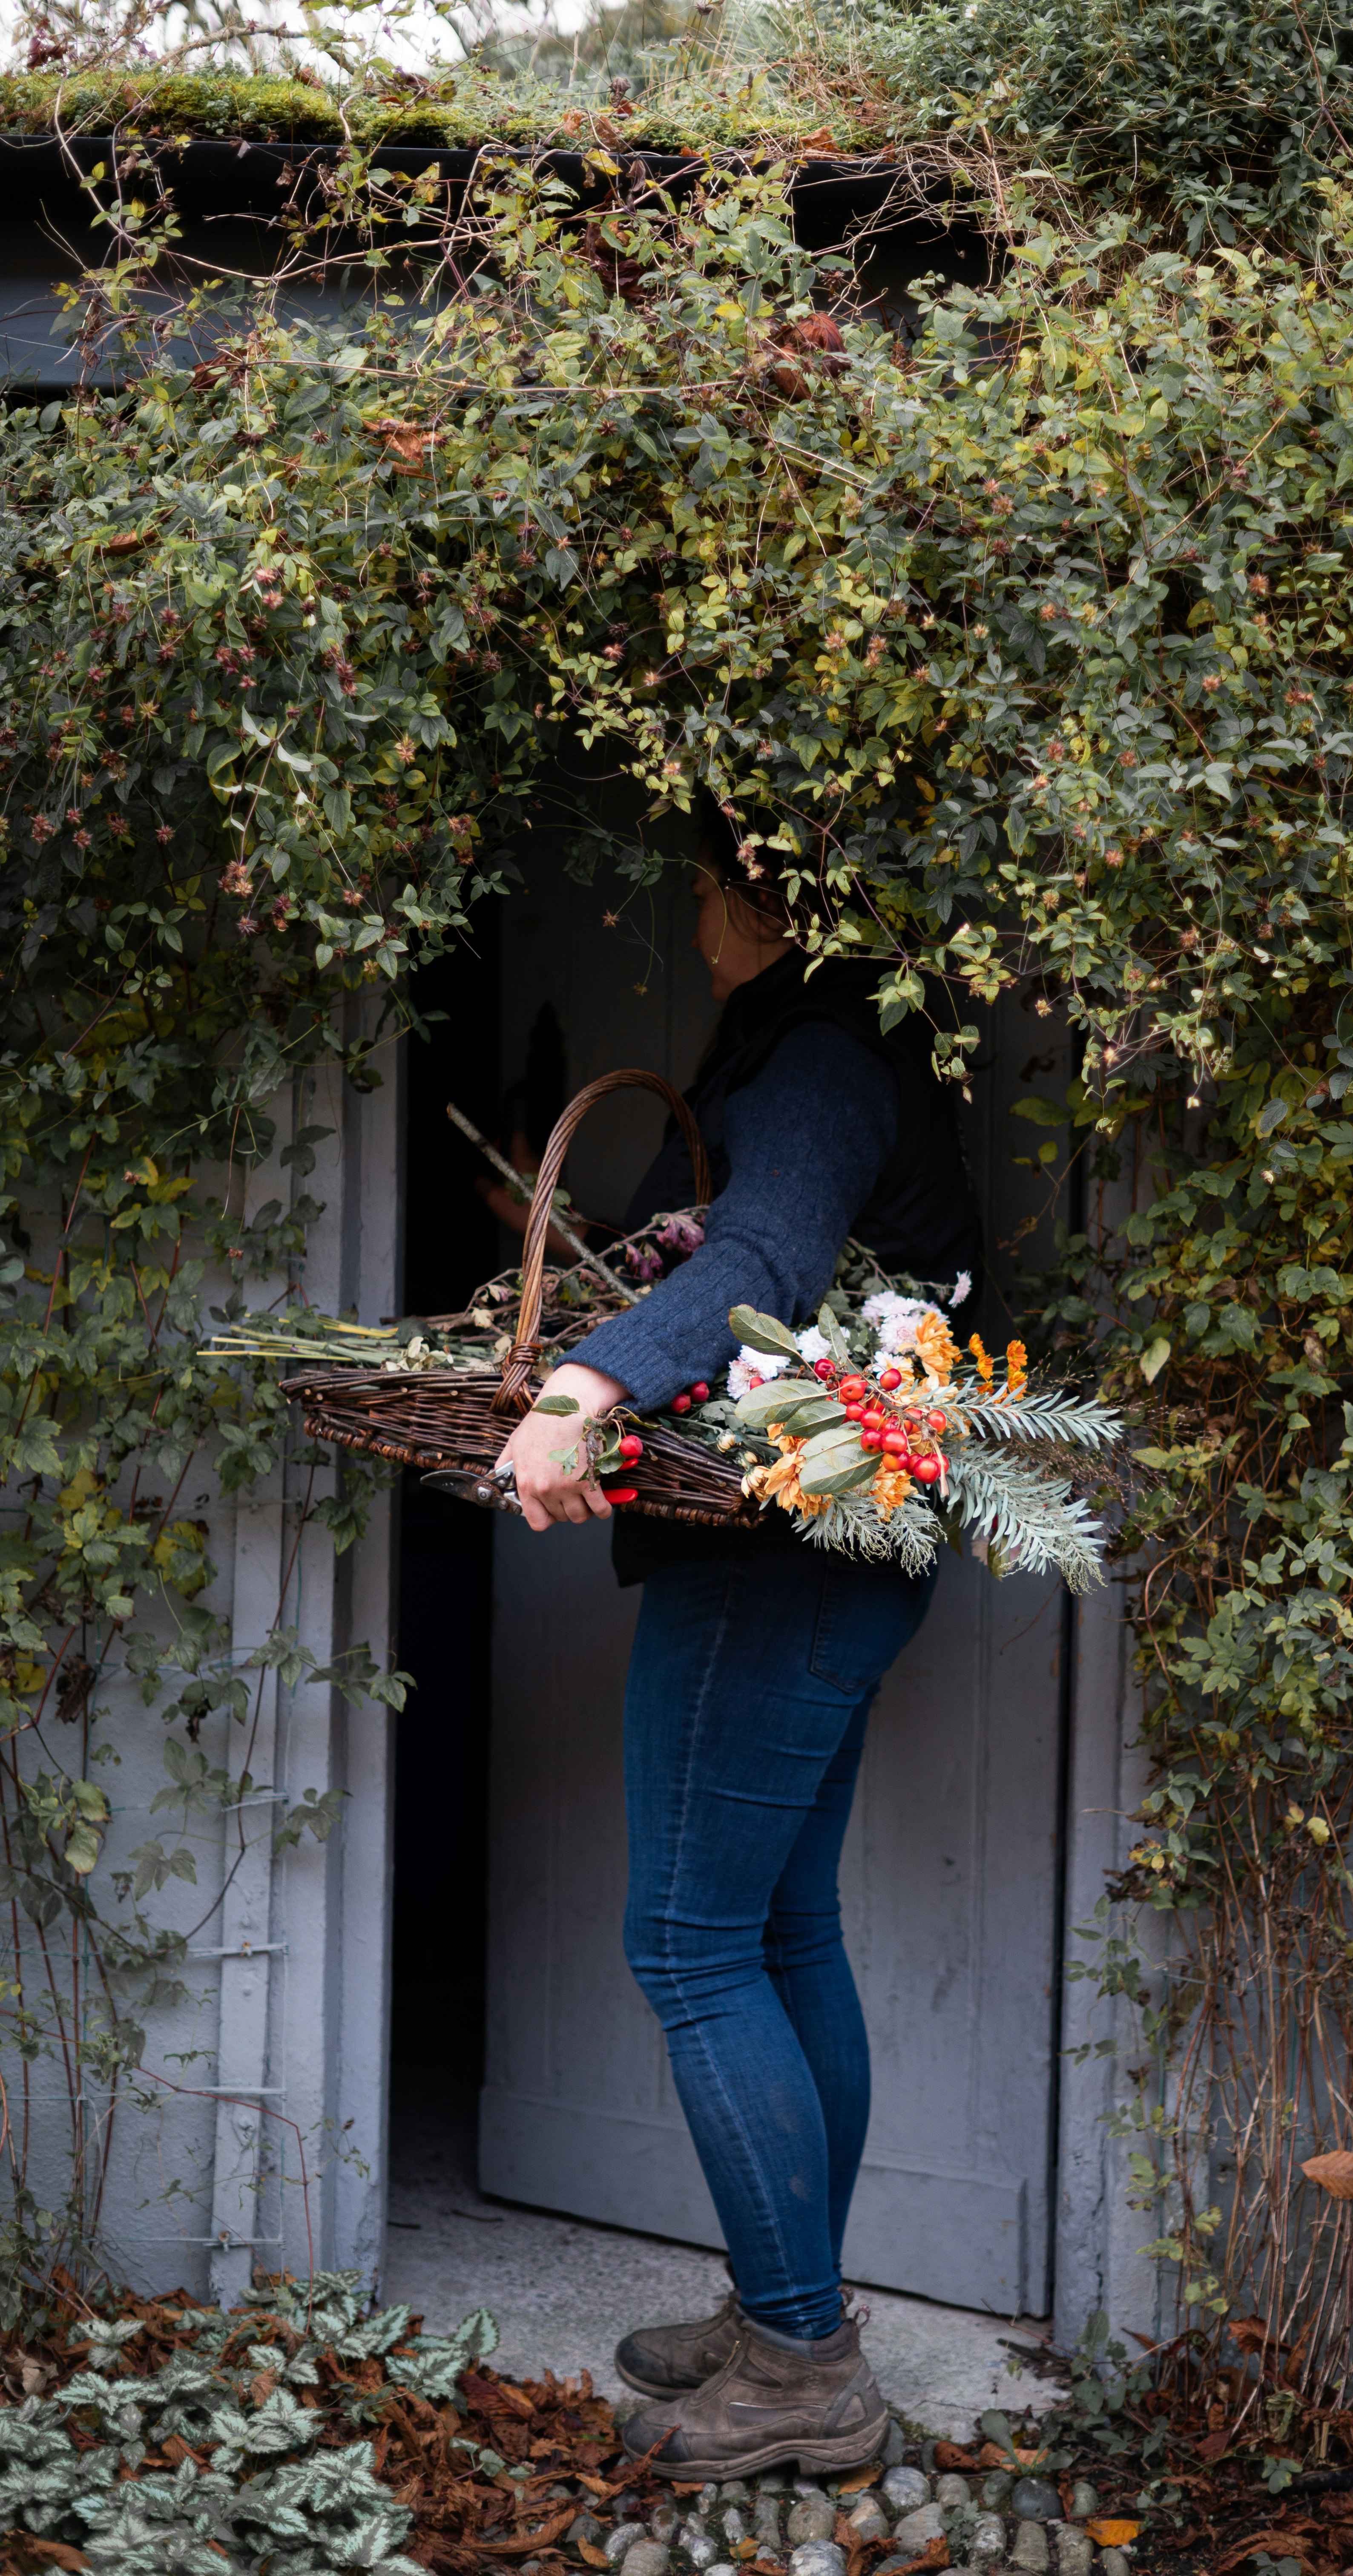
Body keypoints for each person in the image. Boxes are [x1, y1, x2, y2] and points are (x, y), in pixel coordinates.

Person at [494, 799, 982, 2480]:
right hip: (834, 1546)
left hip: (777, 1556)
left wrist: (584, 1387)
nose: (694, 923)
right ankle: (791, 2311)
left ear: (754, 901)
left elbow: (770, 1251)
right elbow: (748, 1246)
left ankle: (803, 2369)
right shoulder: (833, 1039)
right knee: (778, 1933)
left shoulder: (825, 1052)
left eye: (703, 891)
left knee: (693, 1944)